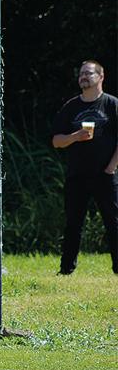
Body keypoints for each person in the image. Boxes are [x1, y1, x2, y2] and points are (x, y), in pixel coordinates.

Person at [50, 60, 118, 275]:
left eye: (88, 73)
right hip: (77, 175)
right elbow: (56, 141)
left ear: (101, 76)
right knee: (73, 224)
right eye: (81, 74)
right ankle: (66, 270)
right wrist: (75, 137)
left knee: (113, 222)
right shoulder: (71, 107)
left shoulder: (111, 104)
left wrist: (112, 168)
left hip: (105, 174)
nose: (83, 77)